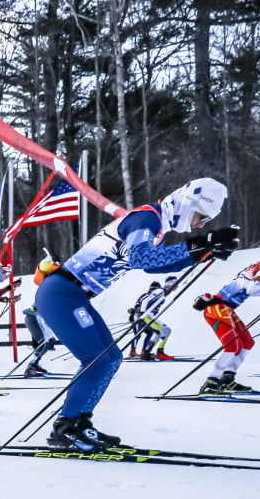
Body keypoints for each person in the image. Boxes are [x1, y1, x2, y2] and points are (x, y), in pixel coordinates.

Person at [36, 178, 238, 451]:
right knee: (95, 359)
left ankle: (80, 423)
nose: (201, 224)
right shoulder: (146, 218)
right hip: (61, 293)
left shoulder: (156, 226)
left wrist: (204, 251)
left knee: (111, 359)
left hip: (74, 295)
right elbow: (141, 259)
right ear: (187, 206)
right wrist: (199, 244)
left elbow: (152, 268)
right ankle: (65, 428)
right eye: (202, 217)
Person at [193, 238, 260, 393]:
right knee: (233, 346)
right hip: (218, 308)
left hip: (224, 308)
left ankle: (227, 380)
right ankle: (211, 383)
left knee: (247, 342)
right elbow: (252, 289)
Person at [20, 256, 61, 377]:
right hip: (33, 318)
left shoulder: (54, 287)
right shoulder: (48, 286)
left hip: (40, 319)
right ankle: (30, 367)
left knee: (50, 342)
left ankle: (35, 363)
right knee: (44, 342)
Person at [130, 276, 181, 360]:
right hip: (147, 315)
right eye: (176, 283)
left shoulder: (163, 292)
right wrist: (143, 313)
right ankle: (150, 353)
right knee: (159, 331)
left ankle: (150, 352)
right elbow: (145, 301)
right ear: (171, 283)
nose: (177, 286)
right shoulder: (160, 291)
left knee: (164, 331)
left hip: (150, 315)